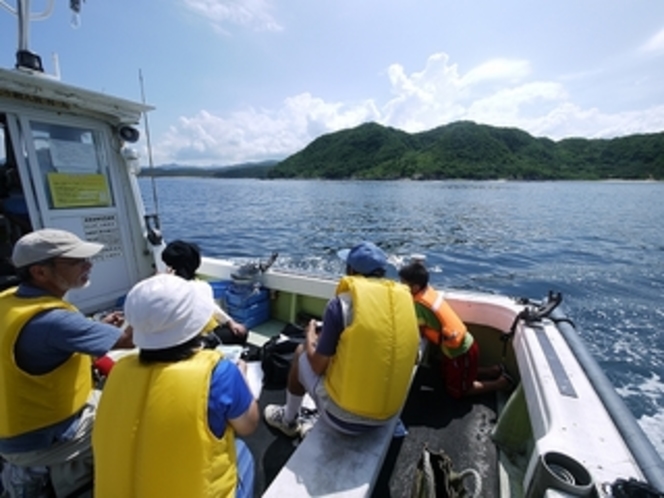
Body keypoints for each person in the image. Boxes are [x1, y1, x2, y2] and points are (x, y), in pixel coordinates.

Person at [92, 273, 259, 498]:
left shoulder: (120, 369)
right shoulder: (219, 374)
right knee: (243, 453)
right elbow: (248, 426)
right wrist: (242, 377)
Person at [0, 228, 133, 498]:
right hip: (44, 438)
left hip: (13, 427)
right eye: (76, 261)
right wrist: (151, 295)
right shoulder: (56, 321)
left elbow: (47, 342)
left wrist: (93, 328)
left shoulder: (9, 299)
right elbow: (128, 341)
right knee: (135, 419)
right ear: (40, 272)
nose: (89, 265)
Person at [264, 241, 420, 438]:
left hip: (344, 419)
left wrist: (310, 334)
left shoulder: (341, 304)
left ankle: (288, 421)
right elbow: (412, 356)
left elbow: (318, 366)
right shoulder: (404, 299)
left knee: (301, 353)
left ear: (351, 269)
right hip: (388, 416)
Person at [398, 261, 512, 398]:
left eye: (403, 284)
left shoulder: (420, 306)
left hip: (460, 352)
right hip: (464, 347)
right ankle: (494, 371)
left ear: (415, 287)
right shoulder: (427, 292)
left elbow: (411, 326)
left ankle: (501, 383)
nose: (400, 287)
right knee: (457, 374)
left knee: (458, 391)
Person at [161, 239, 248, 345]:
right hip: (199, 337)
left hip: (175, 340)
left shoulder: (162, 290)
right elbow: (211, 307)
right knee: (243, 333)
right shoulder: (202, 287)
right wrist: (232, 322)